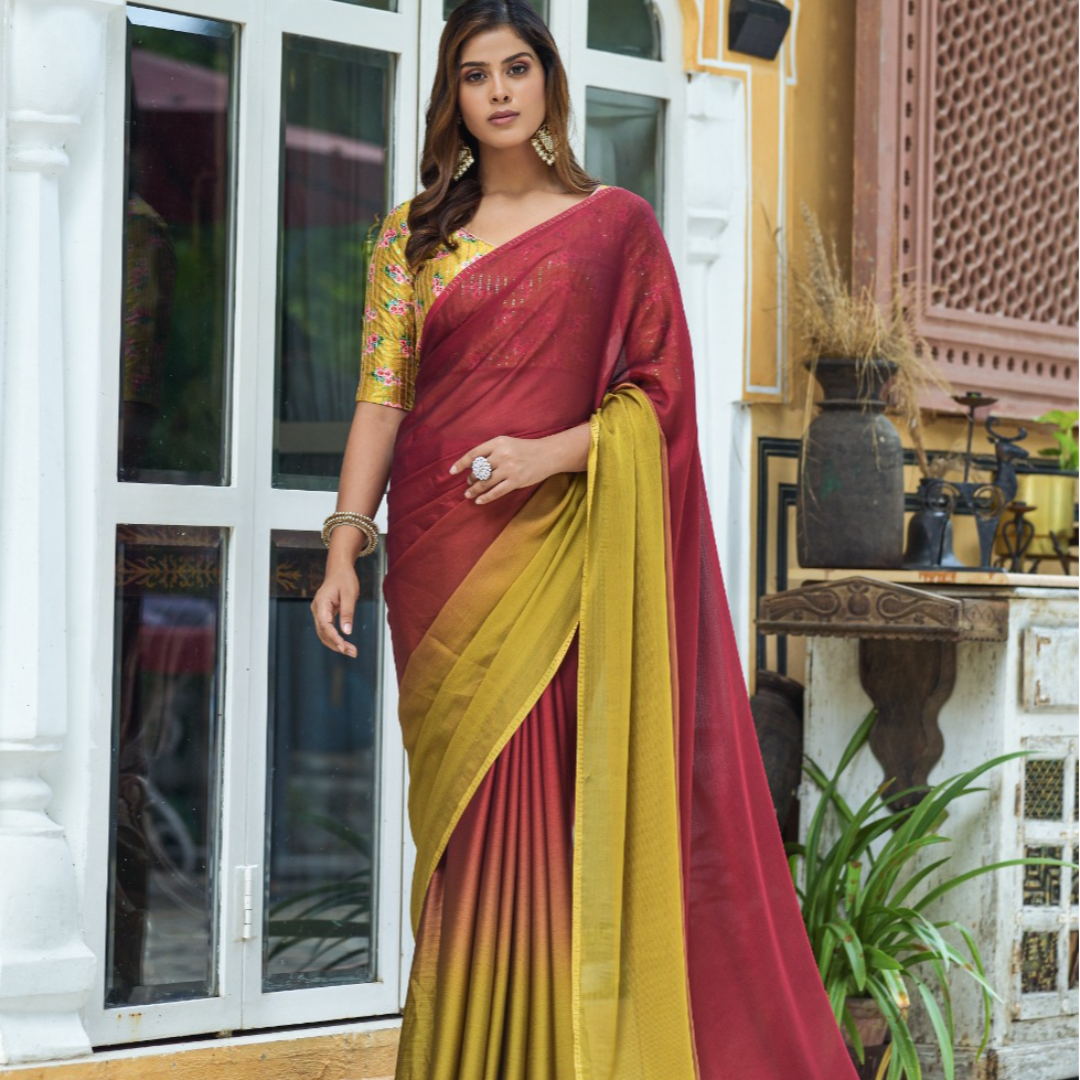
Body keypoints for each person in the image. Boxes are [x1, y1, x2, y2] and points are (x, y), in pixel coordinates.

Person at [311, 2, 859, 1077]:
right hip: (440, 561)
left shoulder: (616, 229)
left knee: (555, 816)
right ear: (452, 95)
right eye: (475, 75)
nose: (498, 92)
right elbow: (383, 398)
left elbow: (661, 399)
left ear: (550, 84)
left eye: (517, 68)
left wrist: (549, 454)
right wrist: (344, 542)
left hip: (561, 552)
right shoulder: (409, 238)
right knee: (469, 827)